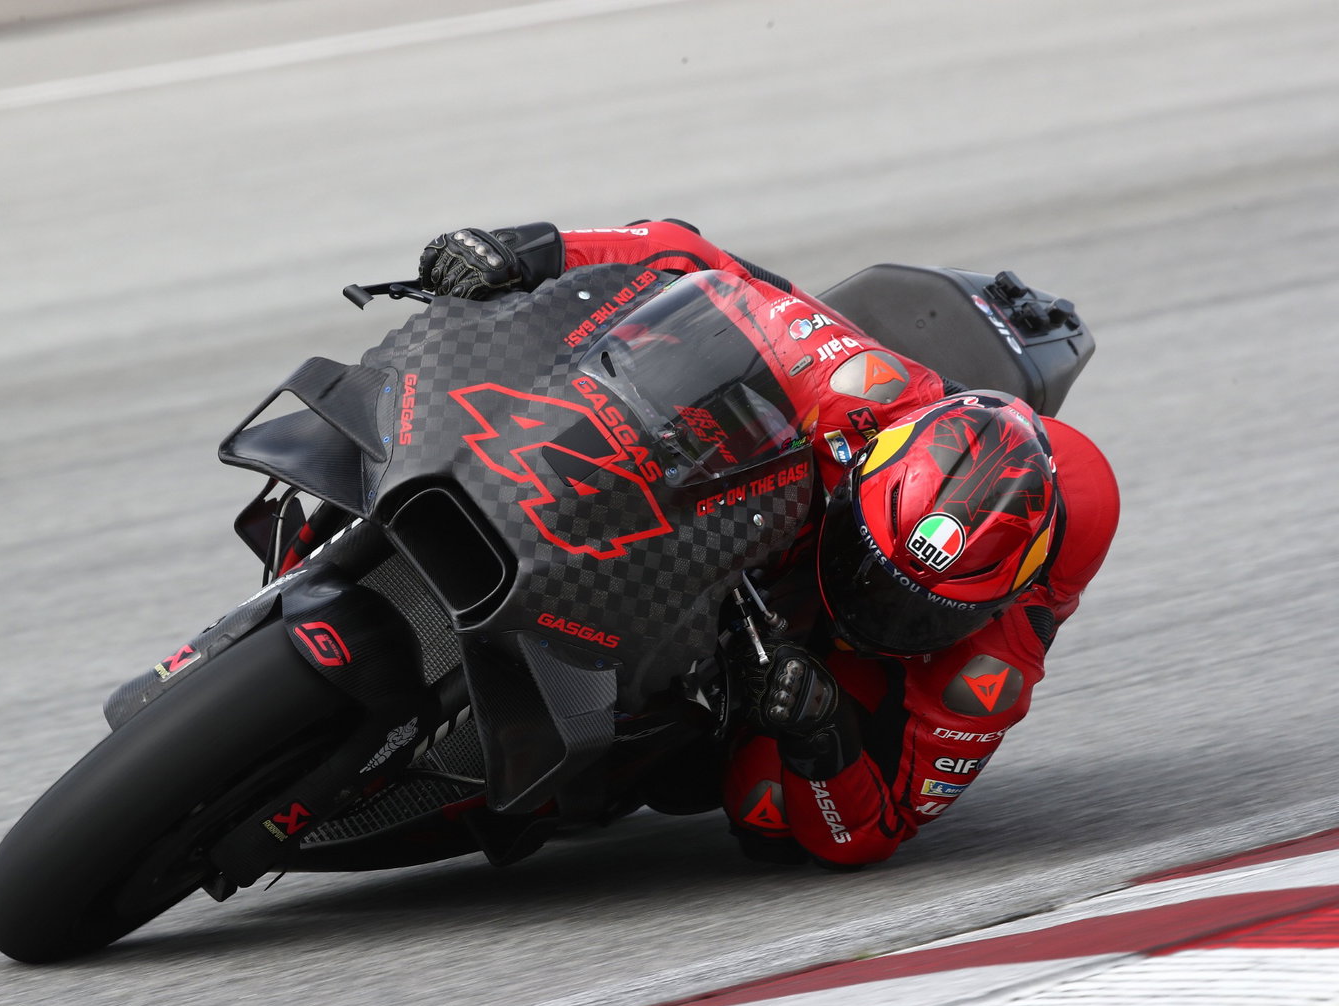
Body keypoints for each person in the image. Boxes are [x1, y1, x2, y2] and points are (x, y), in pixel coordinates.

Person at [416, 220, 1120, 869]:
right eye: (866, 565)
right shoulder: (860, 392)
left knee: (767, 812)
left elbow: (871, 831)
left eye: (920, 608)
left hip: (821, 645)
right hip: (788, 485)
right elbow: (687, 256)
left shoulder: (989, 666)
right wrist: (529, 250)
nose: (871, 600)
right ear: (863, 471)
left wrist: (824, 738)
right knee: (651, 354)